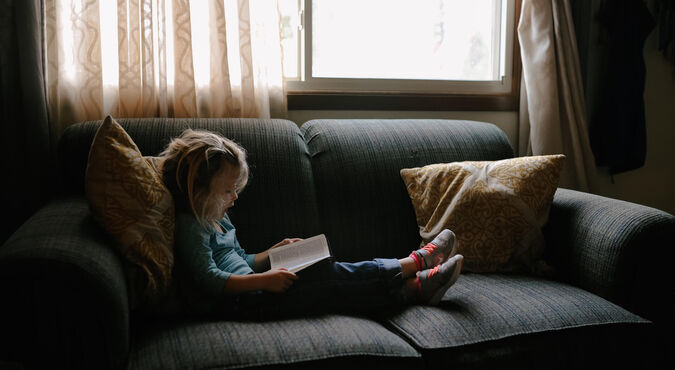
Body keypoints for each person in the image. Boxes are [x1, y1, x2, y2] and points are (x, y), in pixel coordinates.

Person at [160, 129, 464, 317]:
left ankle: (414, 288)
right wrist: (265, 280)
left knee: (330, 282)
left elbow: (240, 260)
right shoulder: (191, 226)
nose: (234, 199)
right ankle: (414, 264)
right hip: (243, 303)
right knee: (327, 278)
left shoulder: (217, 217)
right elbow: (211, 279)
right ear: (198, 191)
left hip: (255, 289)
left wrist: (270, 253)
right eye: (227, 191)